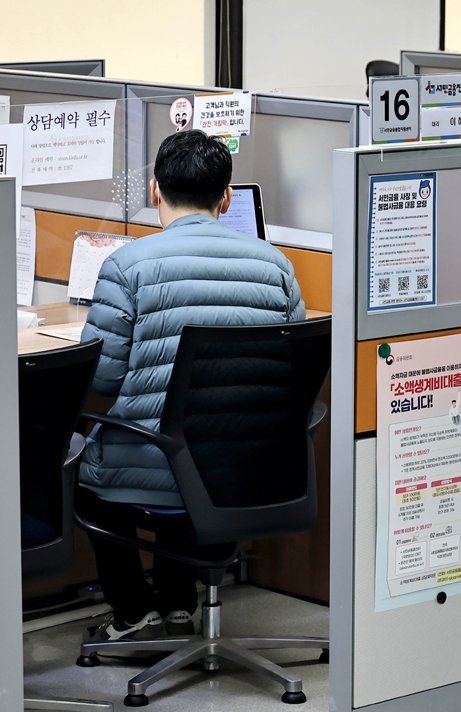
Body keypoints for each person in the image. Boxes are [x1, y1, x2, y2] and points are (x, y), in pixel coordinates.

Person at [76, 129, 305, 643]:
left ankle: (133, 610)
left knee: (81, 466)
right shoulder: (276, 267)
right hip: (251, 468)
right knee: (190, 439)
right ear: (226, 198)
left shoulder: (127, 265)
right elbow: (292, 369)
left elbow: (102, 378)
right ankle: (178, 604)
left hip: (158, 470)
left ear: (155, 190)